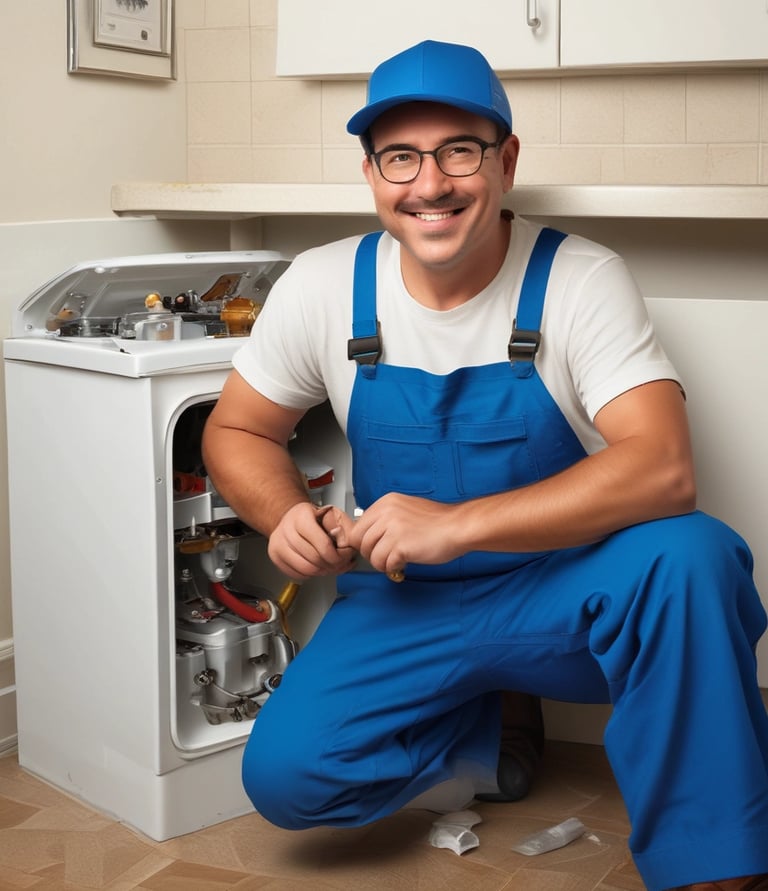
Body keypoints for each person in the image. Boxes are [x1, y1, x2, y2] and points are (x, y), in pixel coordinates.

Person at [202, 39, 768, 891]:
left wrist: (460, 523)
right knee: (287, 779)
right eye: (400, 157)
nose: (429, 184)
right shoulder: (323, 285)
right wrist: (281, 510)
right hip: (407, 604)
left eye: (458, 151)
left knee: (692, 554)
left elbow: (663, 468)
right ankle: (488, 719)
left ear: (505, 160)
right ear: (371, 175)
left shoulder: (579, 277)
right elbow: (236, 431)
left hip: (561, 595)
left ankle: (713, 861)